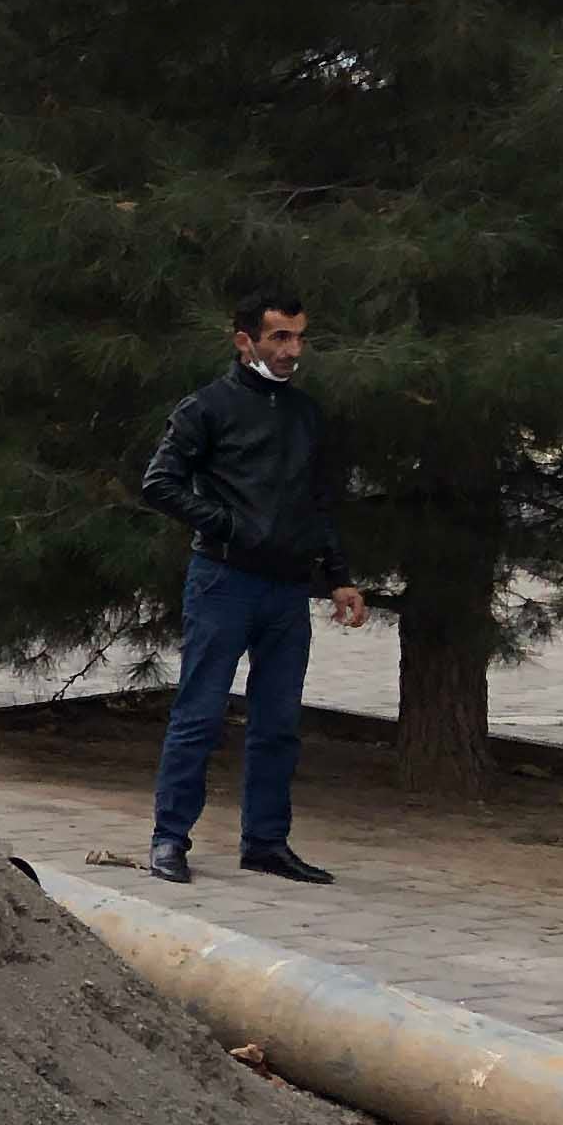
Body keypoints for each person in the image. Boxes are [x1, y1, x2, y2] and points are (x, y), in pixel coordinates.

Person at [135, 291, 369, 886]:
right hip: (223, 580)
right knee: (200, 713)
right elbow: (159, 482)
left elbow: (319, 501)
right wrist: (229, 526)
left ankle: (265, 842)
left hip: (288, 590)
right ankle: (169, 840)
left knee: (278, 722)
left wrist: (339, 576)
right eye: (279, 338)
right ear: (245, 341)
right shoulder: (207, 408)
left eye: (298, 337)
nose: (292, 350)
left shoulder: (305, 413)